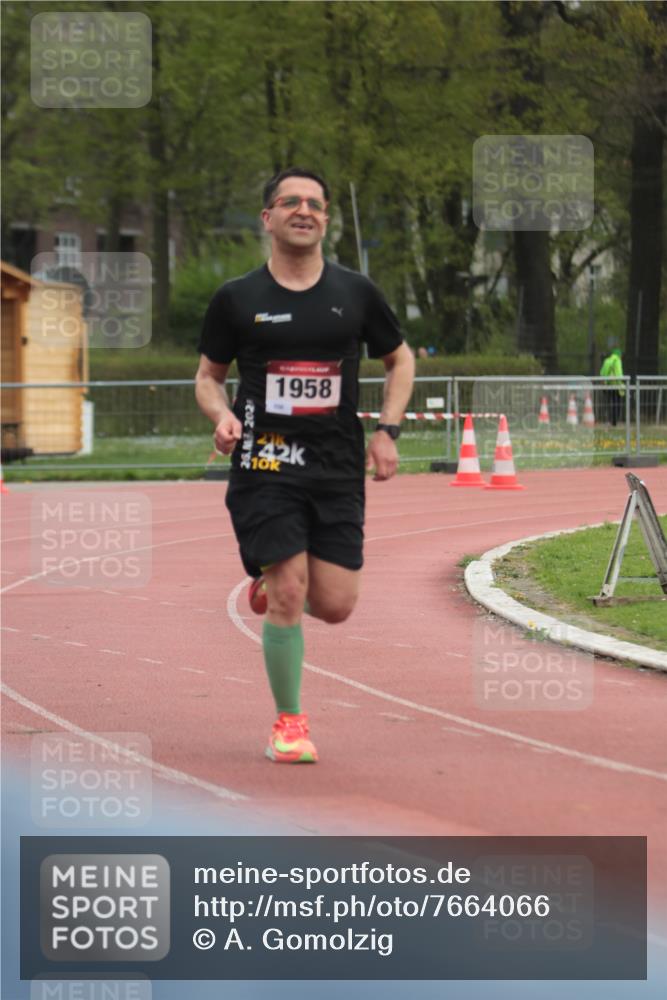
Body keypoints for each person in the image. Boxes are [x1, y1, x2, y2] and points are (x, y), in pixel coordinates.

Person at [195, 167, 415, 764]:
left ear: (325, 219)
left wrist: (387, 432)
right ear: (267, 217)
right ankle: (288, 723)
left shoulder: (356, 293)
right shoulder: (238, 298)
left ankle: (273, 586)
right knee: (292, 590)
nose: (304, 210)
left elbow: (401, 360)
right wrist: (221, 417)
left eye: (315, 204)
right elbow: (209, 378)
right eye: (290, 202)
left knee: (337, 605)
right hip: (264, 462)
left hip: (335, 465)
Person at [600, 347, 624, 427]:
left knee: (609, 402)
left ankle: (608, 419)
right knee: (616, 403)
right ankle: (614, 421)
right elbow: (619, 373)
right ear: (619, 355)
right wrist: (621, 383)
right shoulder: (617, 360)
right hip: (616, 385)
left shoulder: (607, 361)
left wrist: (604, 382)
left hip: (608, 385)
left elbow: (602, 372)